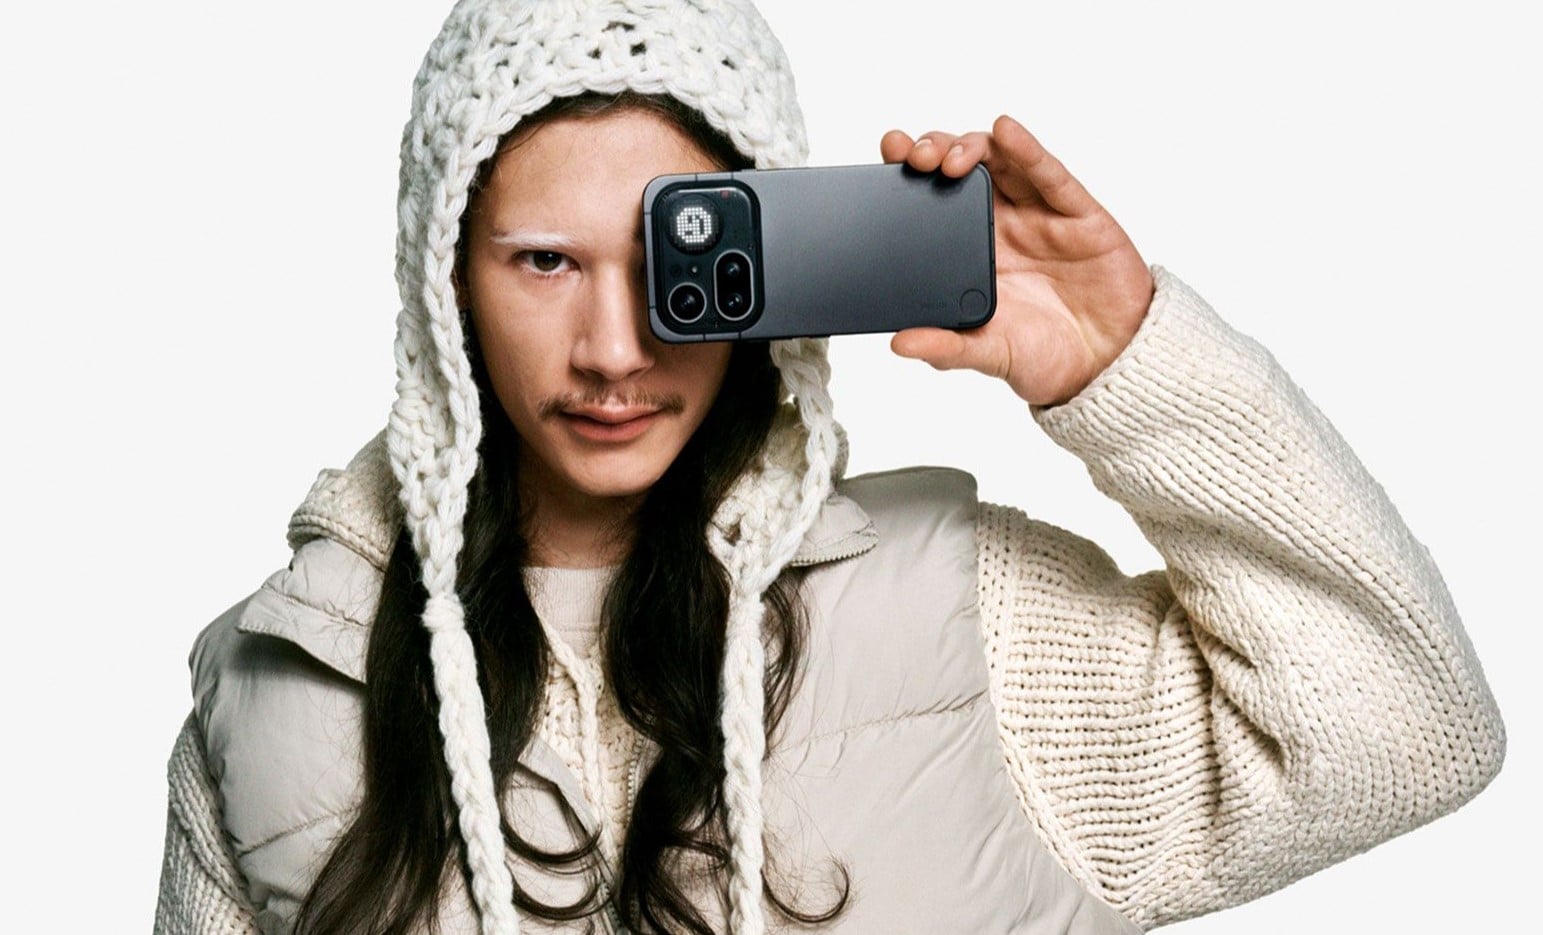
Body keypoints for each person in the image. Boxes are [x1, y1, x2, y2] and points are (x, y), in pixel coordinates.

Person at [154, 0, 1505, 933]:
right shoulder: (282, 680)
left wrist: (1122, 364)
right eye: (545, 261)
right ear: (446, 277)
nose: (613, 349)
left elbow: (1406, 732)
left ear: (769, 255)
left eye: (673, 263)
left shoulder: (961, 620)